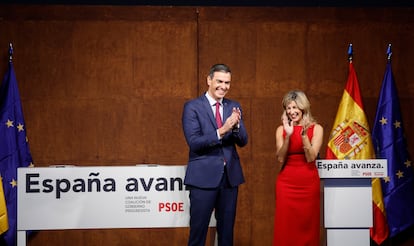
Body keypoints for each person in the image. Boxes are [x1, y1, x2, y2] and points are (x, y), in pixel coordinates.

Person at [182, 63, 248, 246]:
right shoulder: (192, 107)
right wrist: (222, 130)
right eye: (219, 81)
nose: (224, 86)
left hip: (229, 179)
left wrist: (236, 127)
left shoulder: (234, 106)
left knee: (226, 235)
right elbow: (194, 142)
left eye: (227, 83)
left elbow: (243, 141)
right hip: (203, 179)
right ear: (209, 80)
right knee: (198, 233)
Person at [273, 90, 323, 246]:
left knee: (307, 225)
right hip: (286, 184)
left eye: (295, 107)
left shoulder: (317, 129)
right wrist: (288, 135)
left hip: (308, 183)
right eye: (288, 108)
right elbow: (281, 157)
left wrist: (303, 136)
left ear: (303, 108)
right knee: (285, 225)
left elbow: (311, 157)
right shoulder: (281, 130)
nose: (291, 111)